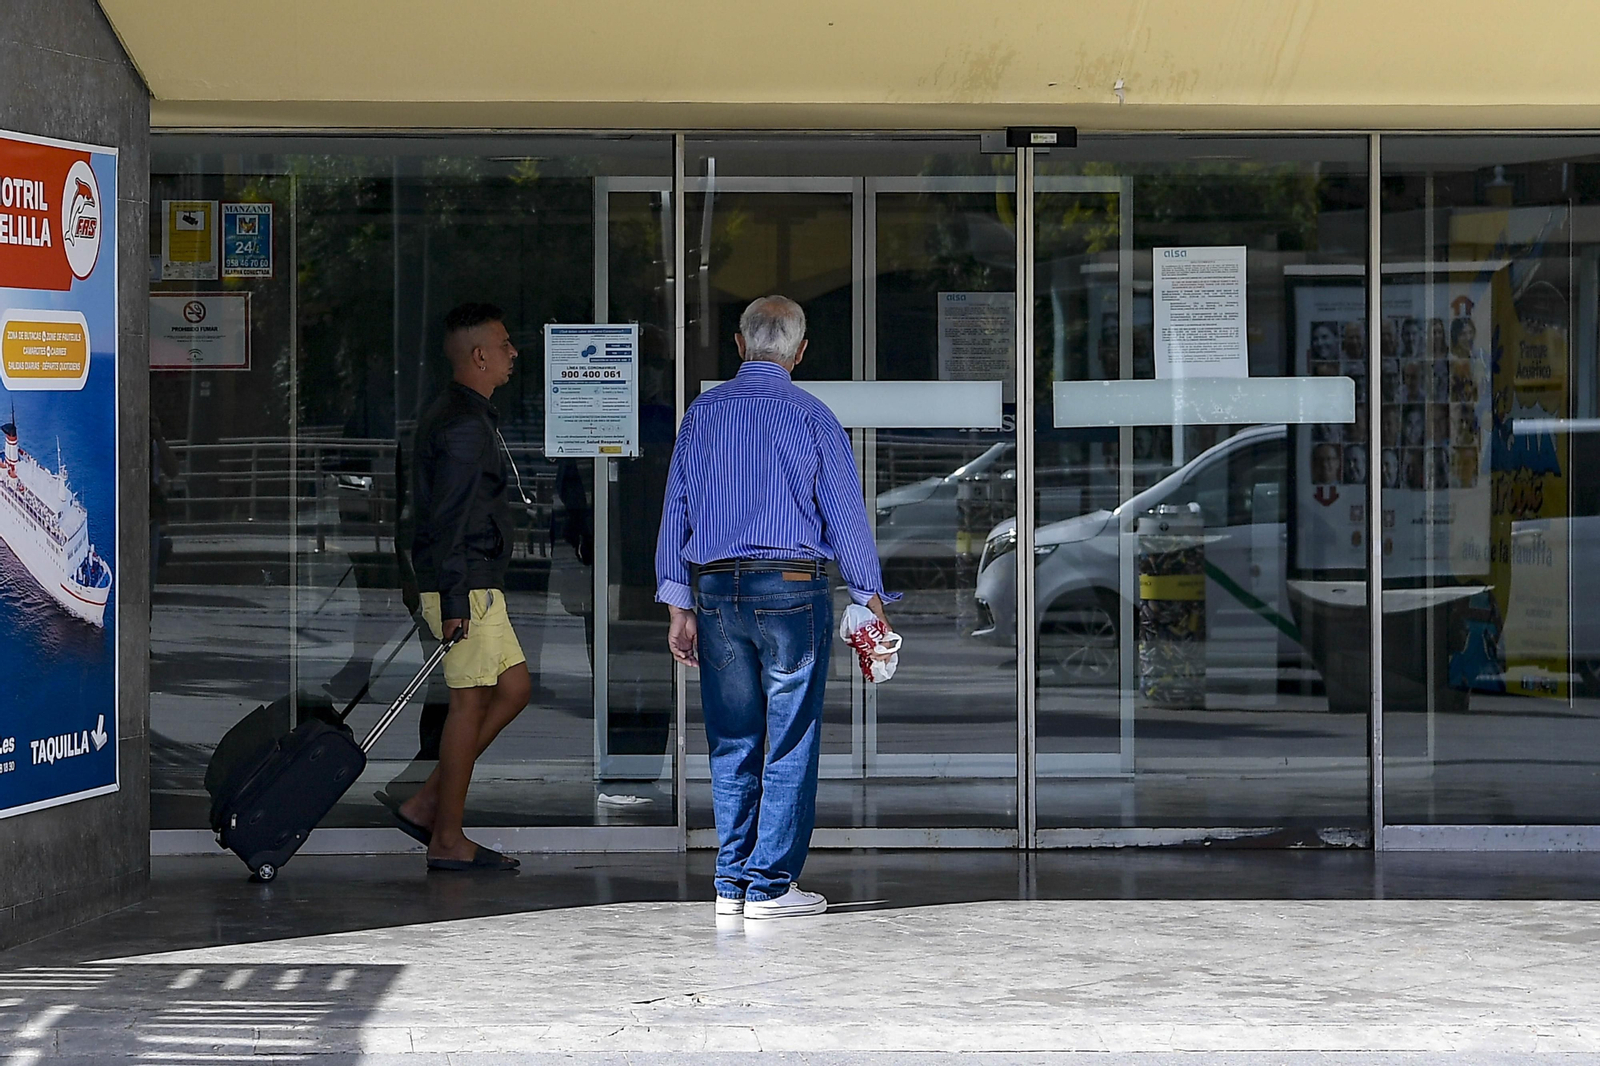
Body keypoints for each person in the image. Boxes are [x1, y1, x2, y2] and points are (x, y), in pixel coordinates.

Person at [656, 295, 895, 921]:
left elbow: (676, 511)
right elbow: (845, 517)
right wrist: (868, 597)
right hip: (792, 590)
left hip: (714, 591)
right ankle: (768, 886)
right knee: (789, 738)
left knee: (732, 737)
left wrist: (678, 604)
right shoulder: (814, 417)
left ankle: (730, 882)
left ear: (739, 344)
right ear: (800, 351)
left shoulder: (702, 415)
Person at [391, 302, 530, 872]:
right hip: (466, 586)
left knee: (513, 689)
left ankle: (428, 801)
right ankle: (446, 835)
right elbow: (446, 519)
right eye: (503, 344)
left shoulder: (466, 416)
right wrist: (452, 601)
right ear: (478, 356)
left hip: (474, 583)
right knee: (470, 703)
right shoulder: (464, 425)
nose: (512, 353)